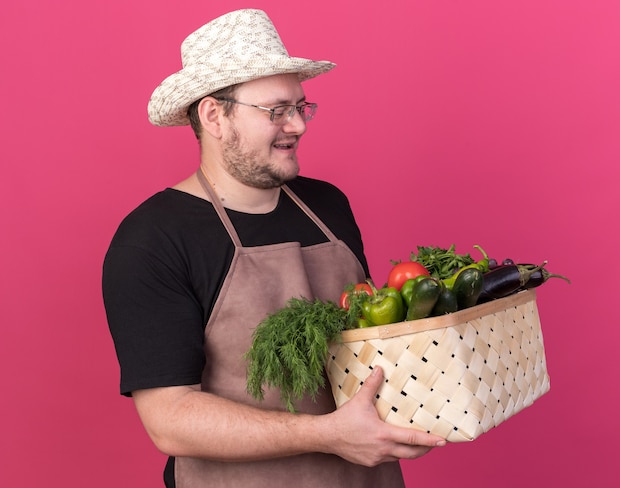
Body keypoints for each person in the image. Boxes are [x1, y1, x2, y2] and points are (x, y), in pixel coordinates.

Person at [102, 9, 445, 488]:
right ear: (213, 115)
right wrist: (327, 434)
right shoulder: (153, 239)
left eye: (301, 107)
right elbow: (170, 417)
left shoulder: (328, 205)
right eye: (276, 110)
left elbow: (367, 343)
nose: (298, 126)